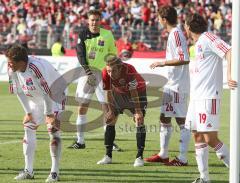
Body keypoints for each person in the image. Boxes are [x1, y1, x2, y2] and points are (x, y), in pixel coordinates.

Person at [184, 13, 237, 183]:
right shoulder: (198, 43)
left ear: (188, 27)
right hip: (196, 98)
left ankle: (236, 172)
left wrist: (230, 75)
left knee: (210, 138)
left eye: (185, 24)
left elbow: (229, 51)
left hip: (208, 97)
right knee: (197, 135)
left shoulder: (208, 38)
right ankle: (204, 178)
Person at [6, 44, 65, 182]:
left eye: (11, 62)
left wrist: (49, 114)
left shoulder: (35, 68)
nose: (9, 65)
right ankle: (28, 171)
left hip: (55, 95)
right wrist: (28, 112)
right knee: (28, 126)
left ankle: (54, 172)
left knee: (53, 130)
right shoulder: (12, 70)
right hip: (36, 97)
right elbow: (18, 91)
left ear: (20, 62)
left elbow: (47, 92)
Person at [145, 5, 191, 166]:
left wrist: (162, 63)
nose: (158, 20)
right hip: (171, 84)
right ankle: (163, 154)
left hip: (178, 85)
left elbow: (184, 58)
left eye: (159, 18)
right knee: (164, 117)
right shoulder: (173, 34)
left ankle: (183, 158)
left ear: (164, 19)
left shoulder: (176, 34)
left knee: (181, 121)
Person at [69, 9, 121, 151]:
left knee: (107, 108)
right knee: (82, 106)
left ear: (100, 21)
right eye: (92, 20)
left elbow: (113, 55)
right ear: (88, 20)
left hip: (103, 74)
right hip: (87, 74)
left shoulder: (107, 35)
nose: (94, 22)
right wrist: (88, 72)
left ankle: (109, 141)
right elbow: (80, 55)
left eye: (97, 20)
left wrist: (112, 71)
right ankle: (80, 141)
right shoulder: (83, 35)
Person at [97, 55, 147, 167]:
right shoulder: (105, 72)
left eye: (113, 71)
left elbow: (133, 91)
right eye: (109, 71)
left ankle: (139, 157)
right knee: (110, 120)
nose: (110, 74)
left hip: (138, 92)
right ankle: (108, 156)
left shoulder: (130, 70)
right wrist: (110, 110)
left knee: (139, 121)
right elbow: (108, 92)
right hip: (119, 92)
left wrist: (138, 111)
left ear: (120, 68)